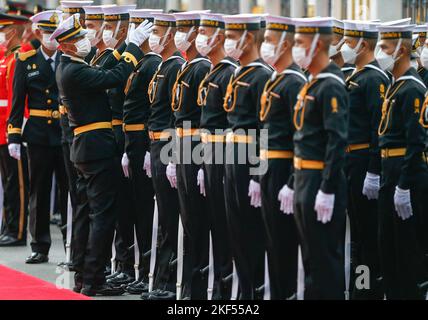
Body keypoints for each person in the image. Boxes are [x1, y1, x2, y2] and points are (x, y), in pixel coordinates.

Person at [54, 13, 153, 296]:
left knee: (88, 214)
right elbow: (113, 76)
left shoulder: (69, 65)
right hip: (95, 149)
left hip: (85, 149)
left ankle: (84, 276)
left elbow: (105, 66)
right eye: (78, 39)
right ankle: (95, 279)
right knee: (103, 216)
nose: (85, 41)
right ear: (66, 46)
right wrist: (133, 46)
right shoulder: (74, 71)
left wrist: (123, 47)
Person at [291, 17, 348, 300]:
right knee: (310, 257)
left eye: (300, 43)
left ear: (317, 45)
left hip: (319, 182)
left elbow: (337, 141)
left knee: (325, 258)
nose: (295, 48)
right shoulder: (312, 83)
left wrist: (327, 188)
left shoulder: (331, 85)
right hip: (304, 178)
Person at [7, 10, 69, 263]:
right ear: (39, 34)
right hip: (38, 135)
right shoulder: (25, 60)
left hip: (65, 134)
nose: (50, 38)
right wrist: (13, 136)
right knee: (39, 192)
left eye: (55, 34)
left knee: (68, 192)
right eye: (46, 33)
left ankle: (71, 245)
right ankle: (39, 245)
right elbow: (17, 102)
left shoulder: (69, 58)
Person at [376, 22, 428, 300]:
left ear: (402, 49)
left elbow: (416, 141)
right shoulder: (396, 87)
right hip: (389, 170)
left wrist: (405, 185)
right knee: (389, 247)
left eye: (384, 47)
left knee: (406, 249)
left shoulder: (413, 90)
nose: (379, 52)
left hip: (403, 172)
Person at [222, 14, 272, 300]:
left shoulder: (262, 75)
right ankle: (243, 292)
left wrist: (257, 173)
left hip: (249, 158)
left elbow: (265, 129)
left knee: (251, 231)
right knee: (236, 230)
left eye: (232, 37)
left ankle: (253, 291)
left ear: (249, 39)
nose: (228, 42)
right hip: (231, 155)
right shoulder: (240, 72)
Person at [341, 20, 390, 300]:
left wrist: (374, 170)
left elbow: (377, 130)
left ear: (364, 44)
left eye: (349, 41)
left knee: (367, 234)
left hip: (362, 160)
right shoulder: (356, 76)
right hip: (350, 161)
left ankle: (369, 291)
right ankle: (358, 290)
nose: (345, 46)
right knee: (357, 234)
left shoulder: (374, 79)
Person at [259, 15, 305, 300]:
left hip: (284, 169)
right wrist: (256, 172)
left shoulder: (294, 82)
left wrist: (291, 179)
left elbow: (299, 136)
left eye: (270, 41)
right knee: (271, 241)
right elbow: (261, 131)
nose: (265, 46)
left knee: (285, 242)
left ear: (286, 45)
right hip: (267, 166)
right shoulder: (274, 79)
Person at [168, 11, 212, 300]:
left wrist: (202, 162)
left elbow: (204, 119)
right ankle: (186, 289)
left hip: (195, 148)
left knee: (197, 224)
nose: (179, 34)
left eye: (185, 29)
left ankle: (196, 290)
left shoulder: (201, 68)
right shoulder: (187, 66)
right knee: (188, 223)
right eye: (179, 29)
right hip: (183, 147)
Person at [119, 8, 162, 293]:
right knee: (131, 208)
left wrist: (146, 148)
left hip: (143, 143)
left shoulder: (152, 65)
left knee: (145, 211)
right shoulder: (137, 62)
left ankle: (145, 270)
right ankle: (133, 268)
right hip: (130, 142)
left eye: (140, 27)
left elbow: (152, 111)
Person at [144, 12, 184, 300]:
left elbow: (176, 117)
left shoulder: (175, 68)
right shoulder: (163, 67)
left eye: (158, 31)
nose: (153, 36)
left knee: (170, 218)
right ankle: (160, 280)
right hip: (155, 146)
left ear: (170, 35)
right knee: (164, 219)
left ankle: (168, 284)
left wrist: (171, 156)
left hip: (168, 146)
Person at [196, 12, 236, 300]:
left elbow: (233, 124)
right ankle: (217, 286)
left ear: (218, 37)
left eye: (203, 32)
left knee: (225, 227)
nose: (199, 38)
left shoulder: (228, 72)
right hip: (209, 154)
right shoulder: (212, 70)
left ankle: (226, 290)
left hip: (224, 156)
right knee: (212, 224)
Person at [0, 12, 29, 248]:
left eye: (4, 31)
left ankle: (17, 230)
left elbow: (17, 101)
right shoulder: (6, 59)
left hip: (10, 130)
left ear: (14, 32)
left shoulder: (17, 60)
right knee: (7, 183)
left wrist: (14, 130)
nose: (2, 36)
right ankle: (7, 225)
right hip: (2, 130)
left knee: (16, 184)